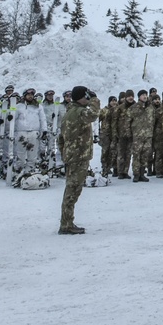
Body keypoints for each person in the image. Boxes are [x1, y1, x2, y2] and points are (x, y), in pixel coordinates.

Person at [57, 86, 100, 235]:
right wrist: (94, 99)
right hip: (78, 156)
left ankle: (67, 221)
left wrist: (64, 152)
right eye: (86, 97)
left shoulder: (70, 111)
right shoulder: (79, 112)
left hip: (73, 155)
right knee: (73, 190)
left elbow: (60, 137)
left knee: (71, 189)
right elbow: (93, 114)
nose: (87, 100)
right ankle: (66, 224)